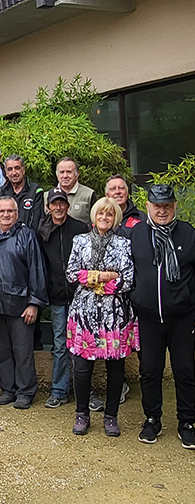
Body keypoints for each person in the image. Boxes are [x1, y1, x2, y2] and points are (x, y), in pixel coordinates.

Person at [65, 197, 136, 437]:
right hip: (84, 313)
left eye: (109, 215)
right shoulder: (80, 241)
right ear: (94, 216)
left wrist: (98, 279)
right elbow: (72, 273)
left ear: (115, 218)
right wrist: (106, 275)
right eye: (100, 214)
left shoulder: (123, 244)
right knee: (82, 368)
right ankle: (82, 413)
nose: (104, 218)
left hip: (114, 315)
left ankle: (111, 416)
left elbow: (127, 278)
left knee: (115, 368)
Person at [131, 184, 195, 449]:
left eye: (167, 206)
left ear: (174, 207)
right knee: (149, 370)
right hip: (147, 317)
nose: (162, 211)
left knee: (185, 369)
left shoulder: (189, 234)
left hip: (182, 316)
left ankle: (187, 422)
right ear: (148, 206)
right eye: (157, 206)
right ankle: (152, 418)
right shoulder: (137, 234)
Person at [0, 196, 48, 409]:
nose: (6, 214)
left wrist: (34, 303)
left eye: (10, 211)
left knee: (23, 351)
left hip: (20, 305)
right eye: (2, 211)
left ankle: (26, 391)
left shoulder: (27, 236)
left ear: (17, 214)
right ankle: (8, 389)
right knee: (2, 350)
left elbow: (37, 270)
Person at [37, 188, 89, 409]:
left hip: (80, 296)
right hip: (56, 296)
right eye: (54, 204)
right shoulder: (41, 230)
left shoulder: (79, 228)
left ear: (67, 206)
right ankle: (59, 390)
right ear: (48, 207)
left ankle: (86, 390)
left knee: (83, 344)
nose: (58, 208)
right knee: (60, 344)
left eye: (62, 204)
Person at [44, 158, 98, 224]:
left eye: (69, 172)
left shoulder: (89, 195)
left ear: (77, 174)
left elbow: (96, 222)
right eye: (62, 172)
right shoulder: (46, 196)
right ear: (57, 174)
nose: (65, 176)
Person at [0, 155, 44, 231]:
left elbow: (37, 221)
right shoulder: (0, 192)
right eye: (10, 169)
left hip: (29, 239)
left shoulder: (35, 191)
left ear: (23, 170)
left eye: (17, 168)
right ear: (6, 173)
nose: (14, 173)